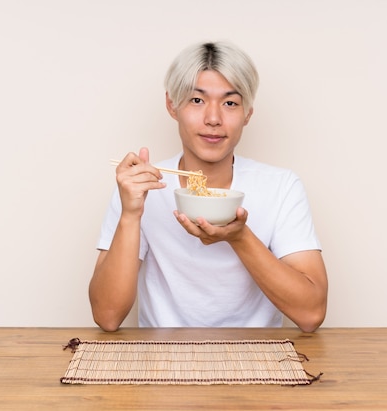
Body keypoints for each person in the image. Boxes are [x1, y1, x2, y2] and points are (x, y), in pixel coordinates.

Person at [89, 41, 328, 332]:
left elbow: (311, 313)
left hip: (258, 360)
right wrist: (130, 215)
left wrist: (239, 238)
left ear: (248, 113)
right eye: (197, 100)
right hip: (163, 360)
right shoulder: (141, 187)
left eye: (230, 103)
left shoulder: (281, 187)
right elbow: (107, 316)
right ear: (172, 105)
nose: (213, 119)